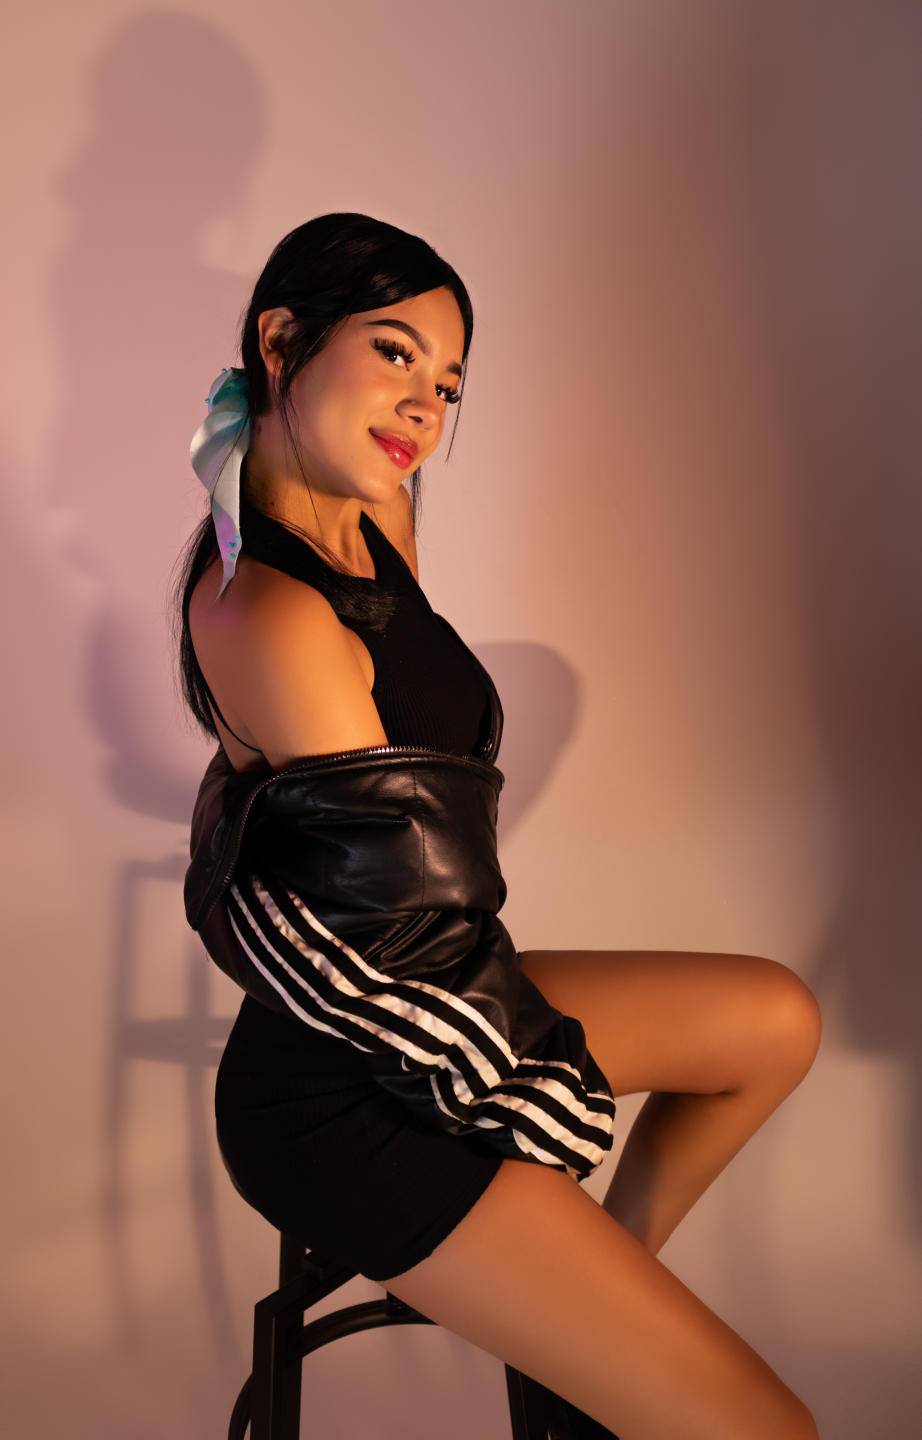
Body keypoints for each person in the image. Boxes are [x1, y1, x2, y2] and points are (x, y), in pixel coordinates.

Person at [177, 213, 822, 1439]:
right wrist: (537, 1091)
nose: (424, 405)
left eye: (448, 382)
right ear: (280, 338)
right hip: (349, 1093)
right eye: (394, 351)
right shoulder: (269, 613)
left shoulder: (372, 518)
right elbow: (381, 957)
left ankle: (595, 1312)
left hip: (438, 984)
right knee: (768, 1431)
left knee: (774, 1019)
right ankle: (594, 1323)